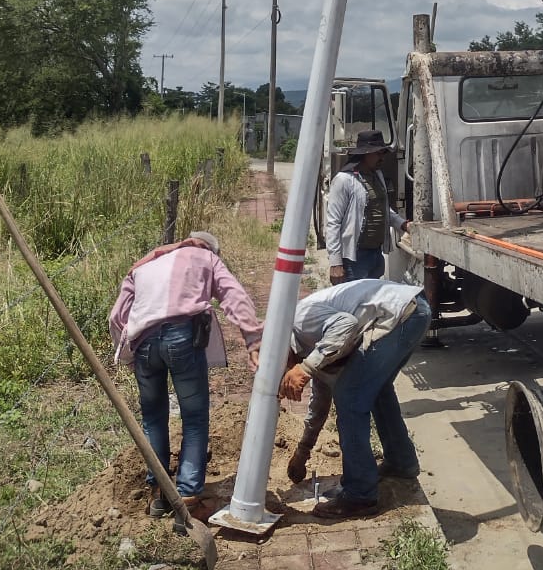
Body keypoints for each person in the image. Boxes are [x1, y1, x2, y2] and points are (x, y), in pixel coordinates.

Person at [109, 230, 263, 517]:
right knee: (194, 417)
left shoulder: (144, 265)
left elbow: (117, 316)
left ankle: (159, 493)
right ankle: (189, 497)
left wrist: (128, 356)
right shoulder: (206, 258)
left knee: (153, 417)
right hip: (182, 338)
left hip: (143, 343)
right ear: (211, 249)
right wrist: (253, 338)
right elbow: (234, 296)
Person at [279, 277, 430, 519]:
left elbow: (346, 324)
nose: (287, 376)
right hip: (413, 310)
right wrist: (302, 452)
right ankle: (401, 462)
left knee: (349, 396)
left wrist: (305, 369)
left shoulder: (301, 320)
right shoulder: (312, 349)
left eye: (283, 374)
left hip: (402, 313)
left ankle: (360, 495)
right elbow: (319, 402)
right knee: (377, 389)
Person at [325, 129, 410, 285]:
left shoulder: (377, 176)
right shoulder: (344, 180)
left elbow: (383, 209)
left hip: (375, 254)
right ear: (365, 154)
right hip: (355, 257)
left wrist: (403, 224)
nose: (382, 157)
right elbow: (333, 223)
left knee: (370, 304)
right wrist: (335, 262)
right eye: (378, 153)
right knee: (355, 304)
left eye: (383, 153)